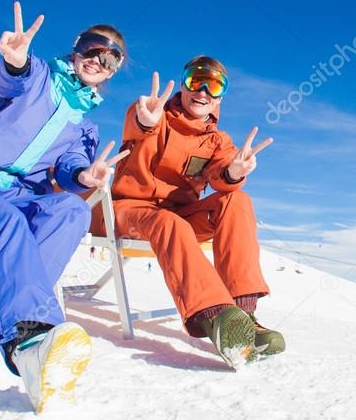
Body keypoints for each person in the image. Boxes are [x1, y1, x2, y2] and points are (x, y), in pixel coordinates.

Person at [0, 1, 127, 413]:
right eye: (91, 48)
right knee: (6, 221)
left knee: (71, 211)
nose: (97, 60)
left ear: (112, 72)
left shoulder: (85, 124)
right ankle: (29, 338)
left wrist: (85, 177)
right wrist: (14, 62)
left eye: (109, 59)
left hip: (18, 193)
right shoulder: (37, 76)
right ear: (76, 49)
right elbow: (11, 82)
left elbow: (69, 168)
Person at [111, 56, 282, 368]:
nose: (203, 91)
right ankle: (214, 316)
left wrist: (233, 171)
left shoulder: (217, 140)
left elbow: (220, 173)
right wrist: (144, 120)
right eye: (195, 80)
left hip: (180, 216)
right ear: (185, 84)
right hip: (129, 210)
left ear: (221, 95)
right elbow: (138, 129)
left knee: (236, 200)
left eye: (214, 85)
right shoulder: (155, 113)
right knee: (168, 222)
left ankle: (243, 315)